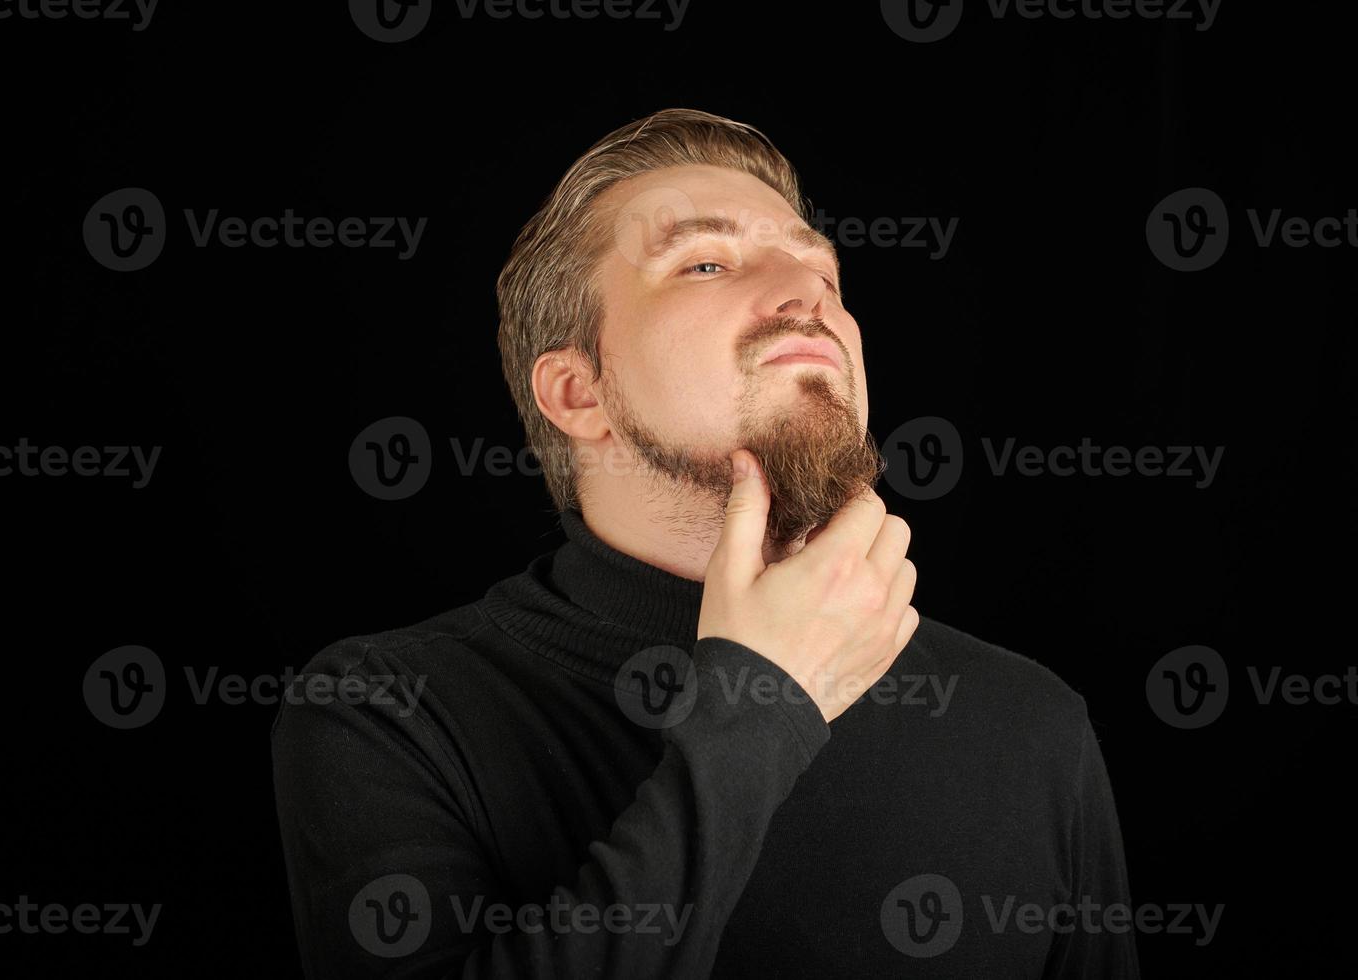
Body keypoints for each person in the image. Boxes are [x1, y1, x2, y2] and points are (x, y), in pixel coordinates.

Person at [271, 107, 1140, 978]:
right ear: (578, 393)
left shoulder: (1029, 723)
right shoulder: (390, 710)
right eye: (707, 262)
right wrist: (763, 705)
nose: (808, 296)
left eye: (822, 272)